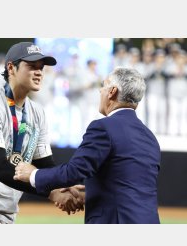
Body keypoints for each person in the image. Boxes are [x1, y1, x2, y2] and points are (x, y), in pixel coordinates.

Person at [0, 42, 83, 224]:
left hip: (7, 214)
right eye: (31, 66)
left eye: (41, 68)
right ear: (11, 67)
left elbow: (45, 163)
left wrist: (64, 186)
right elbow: (0, 169)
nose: (39, 72)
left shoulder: (37, 112)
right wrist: (51, 192)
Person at [14, 67, 161, 224]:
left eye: (104, 86)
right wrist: (92, 193)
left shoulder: (104, 127)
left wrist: (33, 174)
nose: (100, 91)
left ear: (112, 91)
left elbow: (74, 171)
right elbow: (129, 184)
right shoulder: (150, 137)